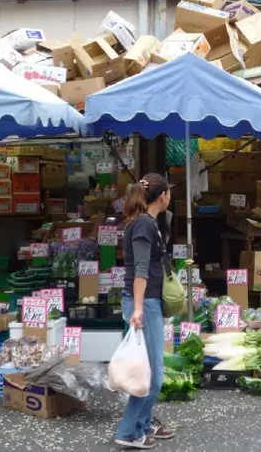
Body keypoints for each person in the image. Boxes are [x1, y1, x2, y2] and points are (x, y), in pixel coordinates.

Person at [117, 174, 175, 449]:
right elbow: (140, 270)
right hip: (143, 303)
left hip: (147, 301)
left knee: (147, 369)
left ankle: (142, 425)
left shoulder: (149, 222)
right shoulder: (143, 225)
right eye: (169, 193)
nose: (170, 197)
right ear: (162, 195)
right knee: (151, 376)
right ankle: (129, 431)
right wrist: (138, 309)